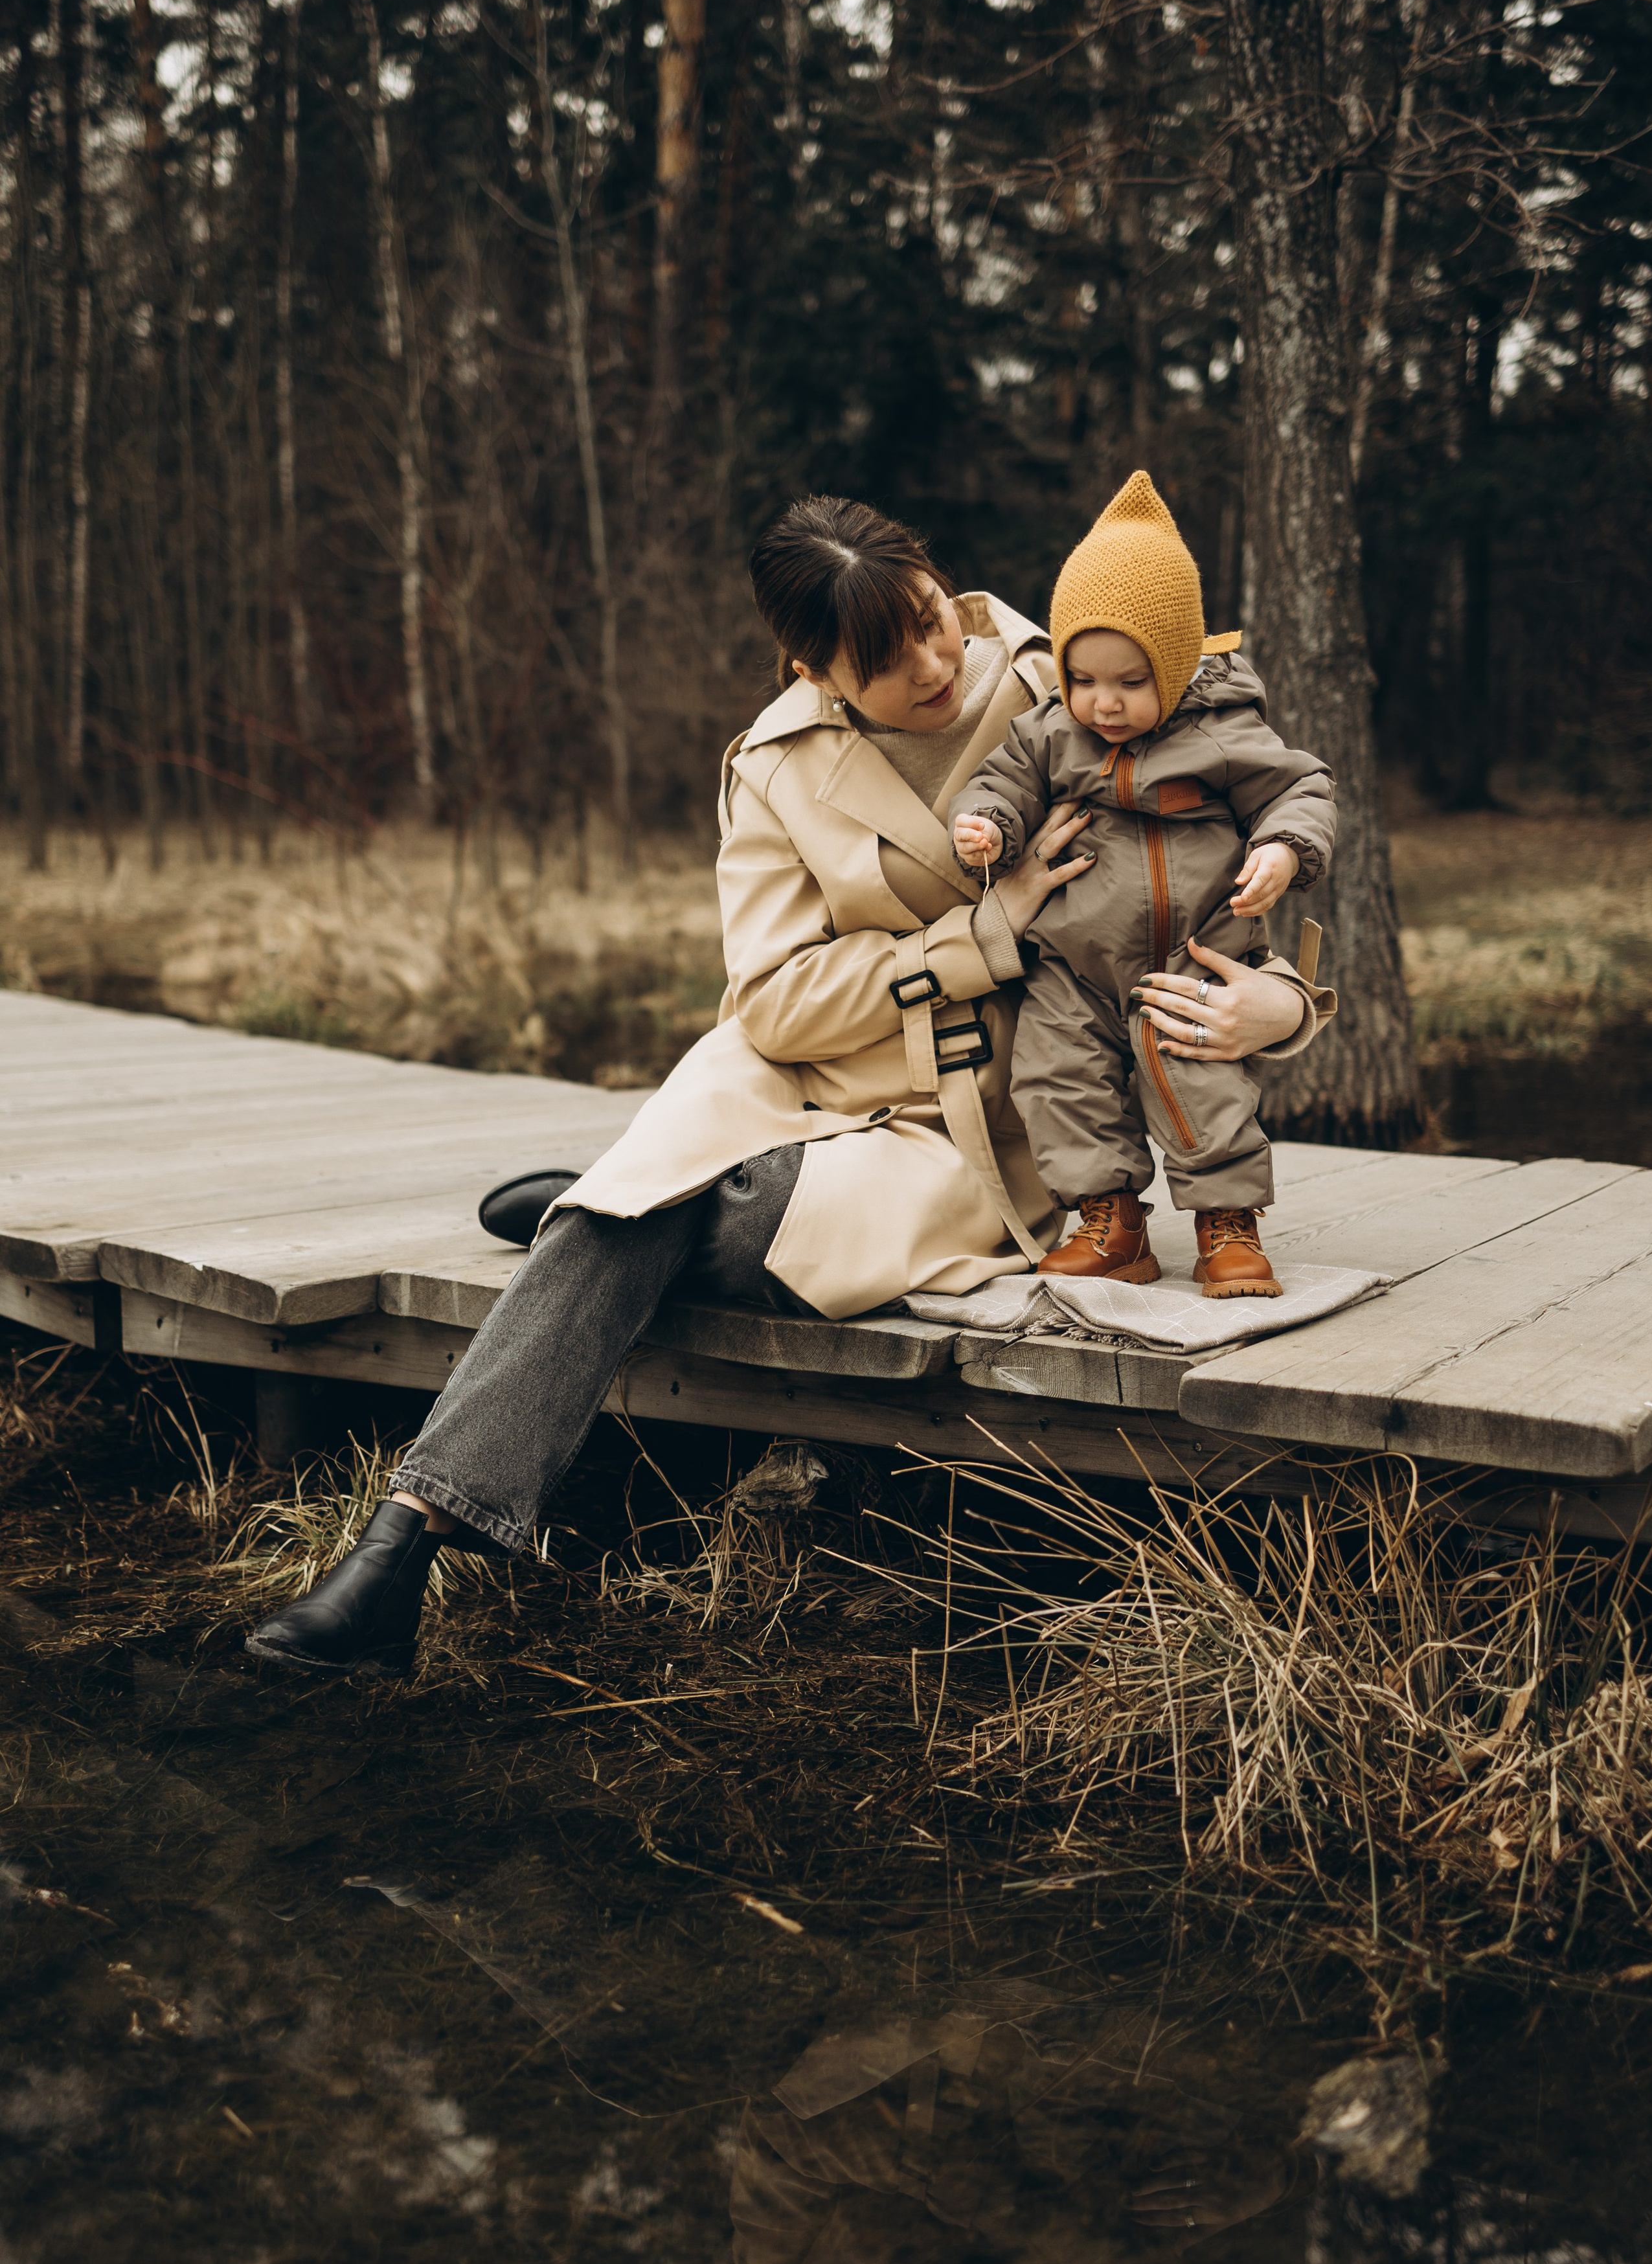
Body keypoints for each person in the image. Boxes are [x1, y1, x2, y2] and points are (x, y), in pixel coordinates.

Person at [245, 497, 1333, 1678]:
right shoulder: (772, 767)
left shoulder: (1069, 672)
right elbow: (774, 1004)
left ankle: (616, 1207)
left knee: (692, 1220)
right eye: (884, 660)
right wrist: (988, 929)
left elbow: (1243, 866)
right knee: (626, 1219)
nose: (931, 663)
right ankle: (402, 1549)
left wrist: (1284, 1007)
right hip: (788, 1081)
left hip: (974, 1121)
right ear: (813, 670)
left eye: (929, 619)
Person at [952, 471, 1335, 1298]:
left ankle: (1225, 1224)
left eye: (1131, 682)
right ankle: (1109, 1221)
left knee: (1200, 1078)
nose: (1105, 703)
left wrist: (1282, 850)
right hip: (1073, 963)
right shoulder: (1049, 730)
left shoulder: (1228, 729)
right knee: (1056, 1077)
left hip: (1191, 958)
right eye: (1084, 679)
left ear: (1174, 662)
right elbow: (1002, 783)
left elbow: (1301, 789)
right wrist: (986, 826)